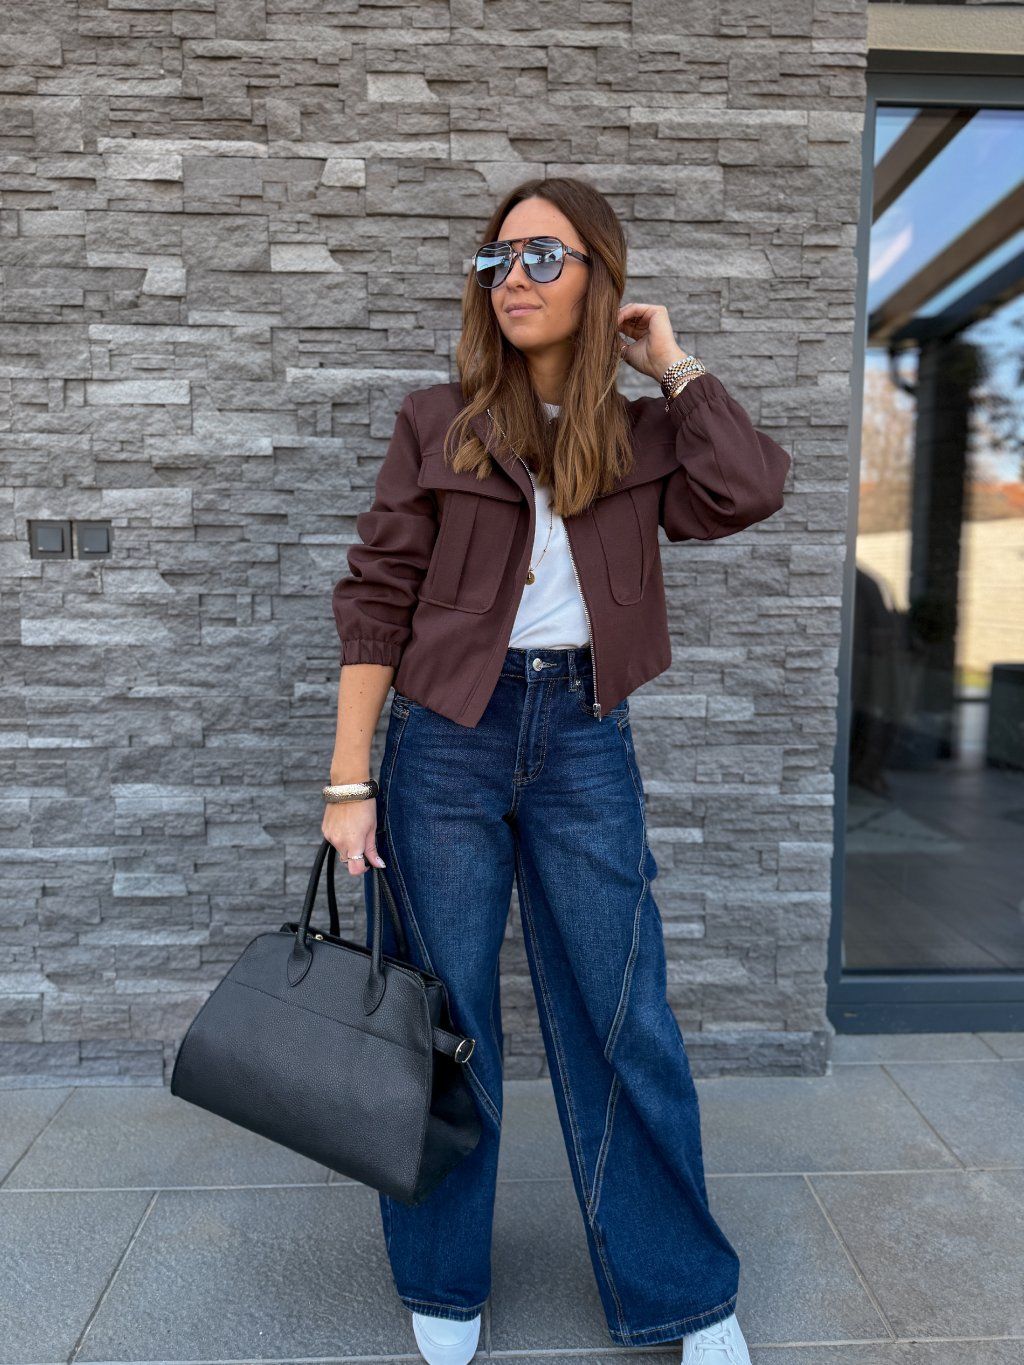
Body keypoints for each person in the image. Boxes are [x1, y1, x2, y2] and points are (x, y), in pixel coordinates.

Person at [324, 176, 791, 1365]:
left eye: (545, 256)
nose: (515, 278)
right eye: (499, 259)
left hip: (585, 735)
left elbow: (749, 488)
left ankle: (684, 1292)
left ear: (598, 279)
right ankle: (441, 1279)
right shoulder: (437, 420)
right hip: (444, 743)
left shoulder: (639, 434)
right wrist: (347, 782)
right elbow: (377, 597)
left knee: (625, 1014)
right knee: (442, 1018)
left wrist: (671, 363)